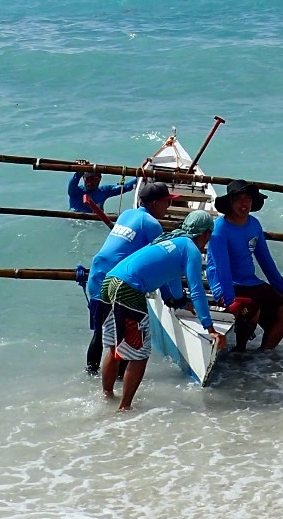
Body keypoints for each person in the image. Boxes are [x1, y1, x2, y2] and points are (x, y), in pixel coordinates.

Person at [99, 213, 225, 410]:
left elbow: (172, 279)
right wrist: (209, 327)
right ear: (207, 233)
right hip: (129, 289)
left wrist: (182, 304)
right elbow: (197, 289)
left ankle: (106, 397)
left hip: (110, 281)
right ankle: (124, 408)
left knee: (115, 348)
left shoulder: (173, 241)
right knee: (139, 355)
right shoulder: (191, 249)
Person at [81, 181, 174, 375]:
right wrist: (170, 298)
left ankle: (90, 376)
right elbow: (162, 265)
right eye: (167, 202)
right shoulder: (153, 225)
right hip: (117, 284)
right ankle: (120, 381)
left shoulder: (126, 214)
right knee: (125, 339)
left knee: (100, 334)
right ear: (155, 203)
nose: (168, 207)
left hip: (96, 276)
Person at [208, 179, 283, 351]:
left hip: (250, 282)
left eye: (248, 198)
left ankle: (262, 357)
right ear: (230, 202)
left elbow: (265, 259)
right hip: (227, 285)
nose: (244, 203)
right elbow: (221, 268)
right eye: (238, 199)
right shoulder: (219, 229)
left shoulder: (254, 224)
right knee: (252, 309)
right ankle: (240, 351)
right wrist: (229, 299)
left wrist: (281, 287)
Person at [67, 164, 137, 227]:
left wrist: (140, 175)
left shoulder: (103, 191)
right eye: (88, 179)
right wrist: (79, 171)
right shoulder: (75, 192)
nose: (90, 182)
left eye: (94, 179)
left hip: (96, 224)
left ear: (100, 179)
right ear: (83, 179)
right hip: (75, 223)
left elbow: (125, 187)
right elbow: (73, 183)